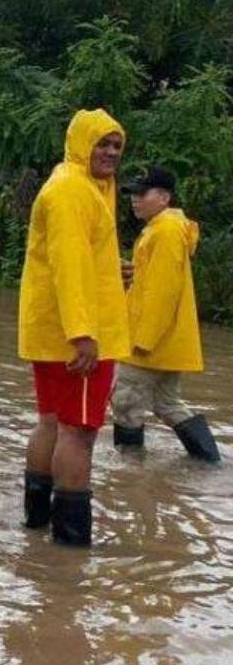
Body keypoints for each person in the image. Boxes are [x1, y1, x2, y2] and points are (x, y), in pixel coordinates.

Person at [18, 108, 131, 547]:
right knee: (78, 433)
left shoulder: (83, 186)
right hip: (77, 335)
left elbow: (81, 257)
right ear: (80, 143)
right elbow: (67, 265)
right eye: (102, 143)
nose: (110, 152)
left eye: (117, 145)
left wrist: (111, 269)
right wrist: (82, 333)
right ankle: (70, 549)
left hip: (54, 330)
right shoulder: (71, 190)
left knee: (50, 423)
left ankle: (36, 524)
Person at [111, 166, 221, 462]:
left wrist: (143, 340)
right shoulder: (161, 229)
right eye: (133, 193)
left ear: (164, 197)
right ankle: (209, 464)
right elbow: (158, 279)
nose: (135, 199)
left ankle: (127, 474)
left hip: (149, 340)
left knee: (124, 402)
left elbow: (164, 292)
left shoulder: (166, 230)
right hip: (166, 338)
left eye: (142, 193)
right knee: (166, 403)